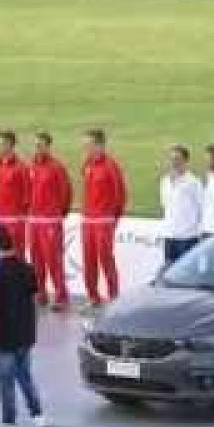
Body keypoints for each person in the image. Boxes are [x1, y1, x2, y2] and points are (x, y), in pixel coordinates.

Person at [0, 226, 45, 427]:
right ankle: (37, 416)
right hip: (25, 334)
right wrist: (33, 329)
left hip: (4, 336)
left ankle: (9, 423)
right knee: (25, 376)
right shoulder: (27, 268)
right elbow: (35, 303)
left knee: (6, 380)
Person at [81, 128, 127, 307]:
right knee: (88, 261)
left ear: (100, 145)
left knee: (106, 260)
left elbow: (120, 194)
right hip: (88, 220)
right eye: (85, 145)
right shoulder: (87, 164)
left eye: (90, 144)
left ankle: (114, 297)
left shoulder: (110, 166)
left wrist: (113, 218)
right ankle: (93, 297)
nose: (87, 148)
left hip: (103, 221)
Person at [28, 132, 73, 310]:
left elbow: (66, 192)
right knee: (36, 260)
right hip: (35, 220)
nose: (38, 148)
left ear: (48, 146)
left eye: (41, 145)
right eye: (36, 145)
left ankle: (61, 296)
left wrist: (58, 213)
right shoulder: (32, 166)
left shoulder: (56, 167)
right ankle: (41, 294)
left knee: (53, 260)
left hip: (50, 220)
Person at [159, 145, 204, 264]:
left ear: (185, 161)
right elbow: (165, 205)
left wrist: (194, 227)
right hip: (170, 235)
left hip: (187, 237)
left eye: (178, 159)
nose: (174, 162)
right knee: (169, 270)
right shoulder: (165, 181)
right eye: (172, 159)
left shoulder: (193, 182)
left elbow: (201, 207)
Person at [0, 130, 30, 261]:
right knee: (0, 255)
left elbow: (27, 195)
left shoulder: (21, 167)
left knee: (17, 256)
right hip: (0, 216)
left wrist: (20, 215)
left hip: (15, 219)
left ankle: (19, 281)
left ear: (9, 144)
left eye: (0, 144)